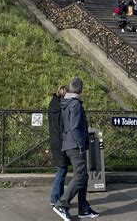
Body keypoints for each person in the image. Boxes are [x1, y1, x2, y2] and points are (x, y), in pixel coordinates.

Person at [53, 78, 99, 220]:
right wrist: (80, 144)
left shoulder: (65, 103)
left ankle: (83, 208)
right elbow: (74, 127)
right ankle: (62, 204)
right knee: (80, 175)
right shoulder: (75, 105)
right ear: (80, 90)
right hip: (75, 144)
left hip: (68, 143)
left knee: (83, 175)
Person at [48, 86, 69, 207]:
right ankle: (55, 198)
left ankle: (58, 197)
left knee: (62, 168)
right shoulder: (62, 107)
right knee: (62, 169)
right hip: (61, 141)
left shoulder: (53, 105)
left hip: (55, 141)